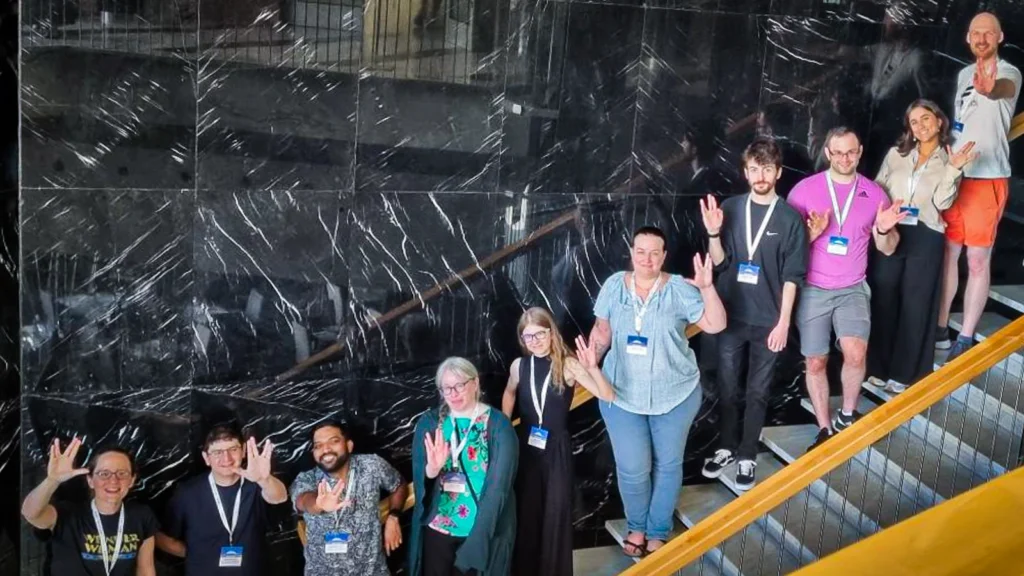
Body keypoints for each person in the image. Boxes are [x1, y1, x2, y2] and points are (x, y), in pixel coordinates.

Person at [589, 226, 727, 556]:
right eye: (641, 251)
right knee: (632, 468)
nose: (647, 259)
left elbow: (716, 324)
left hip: (675, 395)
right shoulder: (613, 285)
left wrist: (707, 288)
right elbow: (602, 332)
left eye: (655, 253)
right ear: (631, 252)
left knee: (668, 464)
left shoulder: (678, 288)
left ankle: (658, 530)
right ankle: (636, 527)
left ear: (664, 256)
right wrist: (586, 367)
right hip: (620, 394)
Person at [786, 127, 906, 451]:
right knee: (815, 362)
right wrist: (812, 234)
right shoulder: (803, 191)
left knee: (856, 353)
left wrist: (884, 229)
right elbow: (787, 250)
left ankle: (848, 415)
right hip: (813, 289)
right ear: (827, 153)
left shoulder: (874, 194)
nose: (844, 158)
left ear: (860, 152)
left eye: (850, 152)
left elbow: (889, 248)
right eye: (837, 152)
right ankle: (824, 428)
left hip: (853, 287)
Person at [699, 137, 808, 490]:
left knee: (758, 391)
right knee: (728, 388)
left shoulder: (790, 218)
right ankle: (726, 447)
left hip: (768, 321)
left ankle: (747, 453)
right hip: (730, 315)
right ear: (746, 173)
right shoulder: (730, 208)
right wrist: (713, 233)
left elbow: (793, 276)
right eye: (754, 168)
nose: (760, 175)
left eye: (767, 168)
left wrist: (783, 322)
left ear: (777, 172)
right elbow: (719, 262)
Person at [869, 101, 978, 393]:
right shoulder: (896, 155)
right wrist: (880, 220)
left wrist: (954, 170)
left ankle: (905, 374)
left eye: (926, 118)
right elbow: (878, 188)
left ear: (939, 122)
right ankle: (878, 367)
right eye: (914, 121)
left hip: (926, 234)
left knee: (915, 306)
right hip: (892, 231)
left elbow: (943, 203)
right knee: (884, 299)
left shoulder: (949, 159)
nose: (920, 125)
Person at [501, 306, 615, 576]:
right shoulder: (520, 366)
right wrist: (505, 426)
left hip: (556, 450)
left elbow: (607, 395)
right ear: (522, 340)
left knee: (555, 515)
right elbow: (509, 393)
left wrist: (592, 368)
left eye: (540, 334)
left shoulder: (568, 364)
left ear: (551, 332)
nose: (535, 342)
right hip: (527, 449)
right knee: (527, 515)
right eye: (528, 337)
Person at [937, 11, 1022, 362]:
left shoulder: (1009, 73)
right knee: (948, 255)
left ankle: (966, 336)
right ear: (967, 38)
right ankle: (941, 327)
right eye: (976, 33)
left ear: (1000, 38)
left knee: (976, 260)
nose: (982, 39)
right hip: (956, 178)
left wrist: (990, 89)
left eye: (989, 33)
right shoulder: (961, 75)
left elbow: (1001, 91)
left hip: (987, 180)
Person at [408, 357, 518, 576]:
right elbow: (422, 478)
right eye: (447, 388)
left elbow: (500, 486)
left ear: (475, 383)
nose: (453, 394)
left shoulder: (498, 425)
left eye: (460, 385)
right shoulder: (430, 423)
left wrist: (479, 539)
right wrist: (432, 469)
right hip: (439, 525)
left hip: (483, 529)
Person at [156, 425, 289, 574]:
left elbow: (280, 497)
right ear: (207, 458)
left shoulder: (257, 485)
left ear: (243, 450)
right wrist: (196, 555)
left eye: (233, 449)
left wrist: (264, 479)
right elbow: (162, 537)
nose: (226, 458)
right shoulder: (187, 492)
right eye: (217, 452)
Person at [21, 438, 159, 576]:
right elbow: (30, 513)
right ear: (90, 480)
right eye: (104, 474)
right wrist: (52, 480)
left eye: (122, 473)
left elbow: (146, 569)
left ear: (132, 480)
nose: (113, 480)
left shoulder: (141, 515)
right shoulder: (66, 513)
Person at [291, 421, 408, 576]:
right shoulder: (307, 479)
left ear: (349, 445)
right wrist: (318, 504)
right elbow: (303, 501)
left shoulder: (371, 466)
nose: (325, 449)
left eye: (333, 441)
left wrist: (393, 517)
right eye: (318, 445)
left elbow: (399, 485)